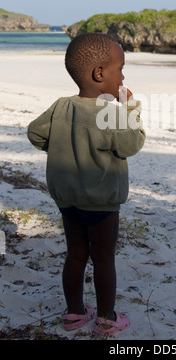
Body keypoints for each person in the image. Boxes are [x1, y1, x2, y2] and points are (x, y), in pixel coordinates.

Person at [27, 33, 145, 337]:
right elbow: (132, 144)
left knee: (75, 254)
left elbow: (35, 133)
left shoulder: (61, 106)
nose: (123, 76)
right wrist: (130, 108)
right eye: (121, 68)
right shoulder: (111, 113)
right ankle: (106, 318)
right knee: (103, 258)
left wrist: (62, 147)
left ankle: (74, 314)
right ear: (100, 74)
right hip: (102, 203)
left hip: (68, 201)